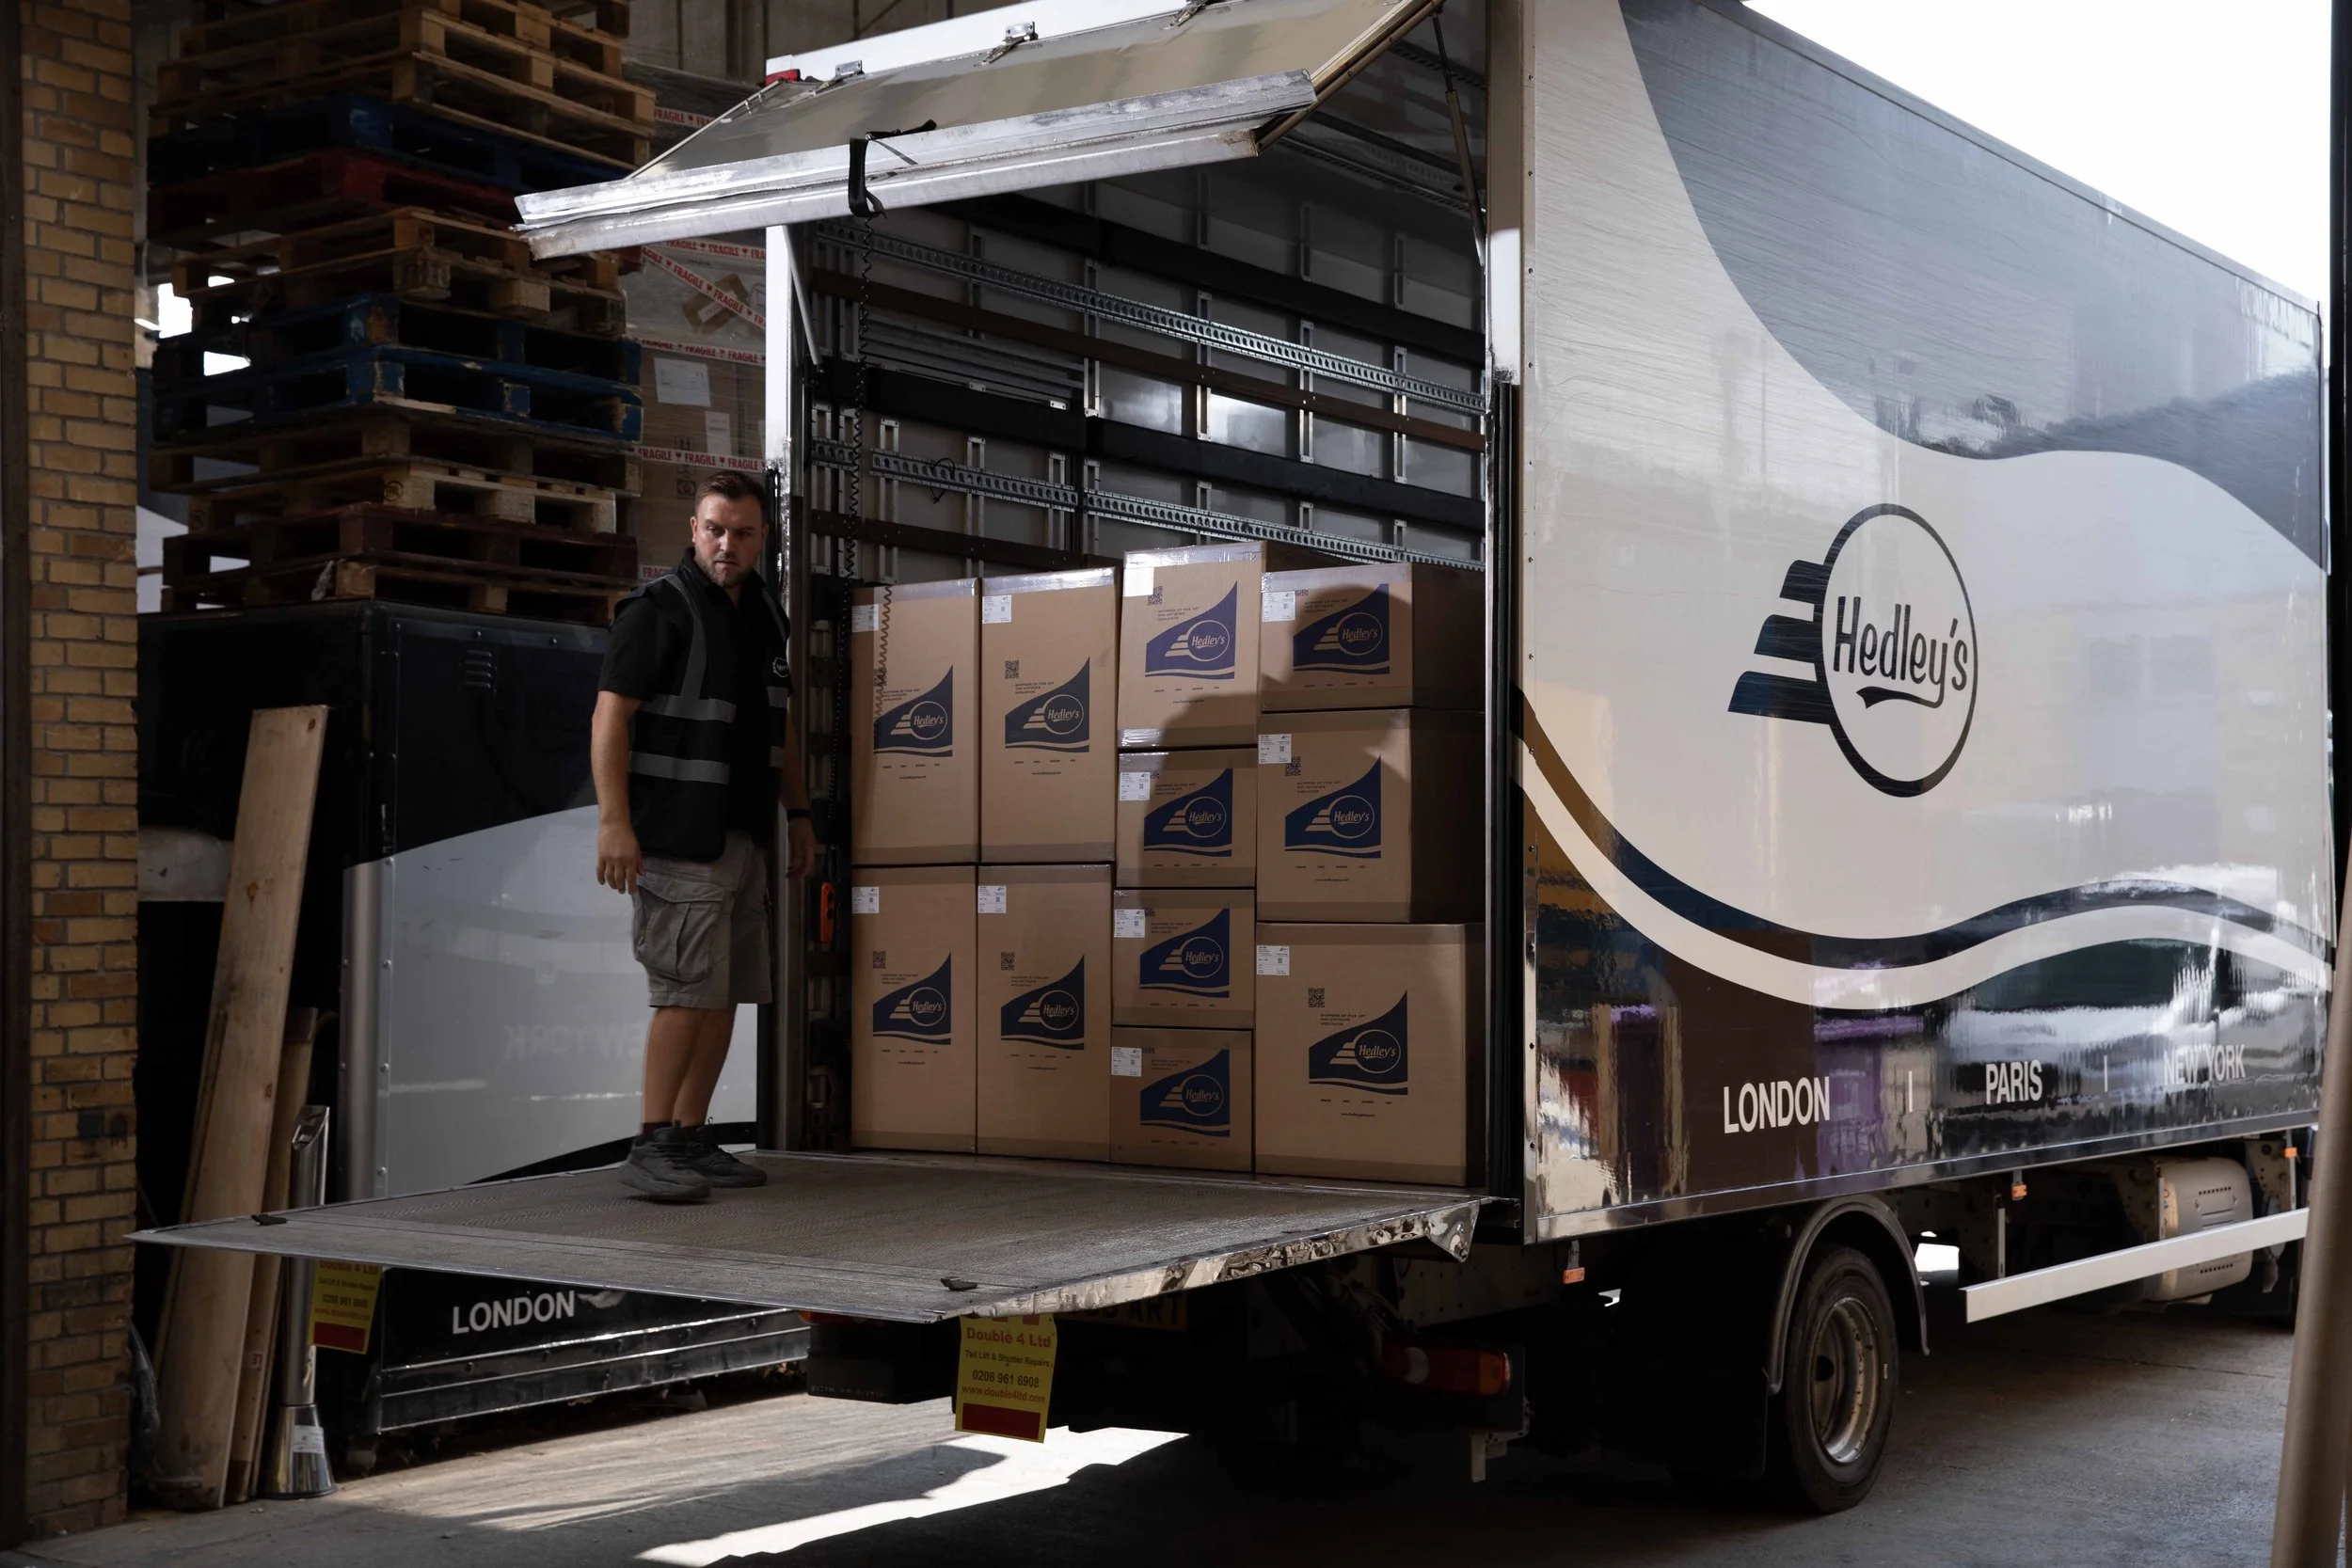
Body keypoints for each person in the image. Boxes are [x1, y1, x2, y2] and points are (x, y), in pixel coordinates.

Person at [590, 472, 816, 1201]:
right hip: (678, 838)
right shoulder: (659, 611)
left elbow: (779, 725)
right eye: (716, 529)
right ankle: (652, 1140)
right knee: (685, 992)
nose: (728, 544)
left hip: (742, 838)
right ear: (694, 528)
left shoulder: (766, 617)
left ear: (762, 538)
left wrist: (799, 815)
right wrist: (614, 821)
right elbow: (609, 719)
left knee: (724, 993)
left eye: (743, 532)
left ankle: (689, 1136)